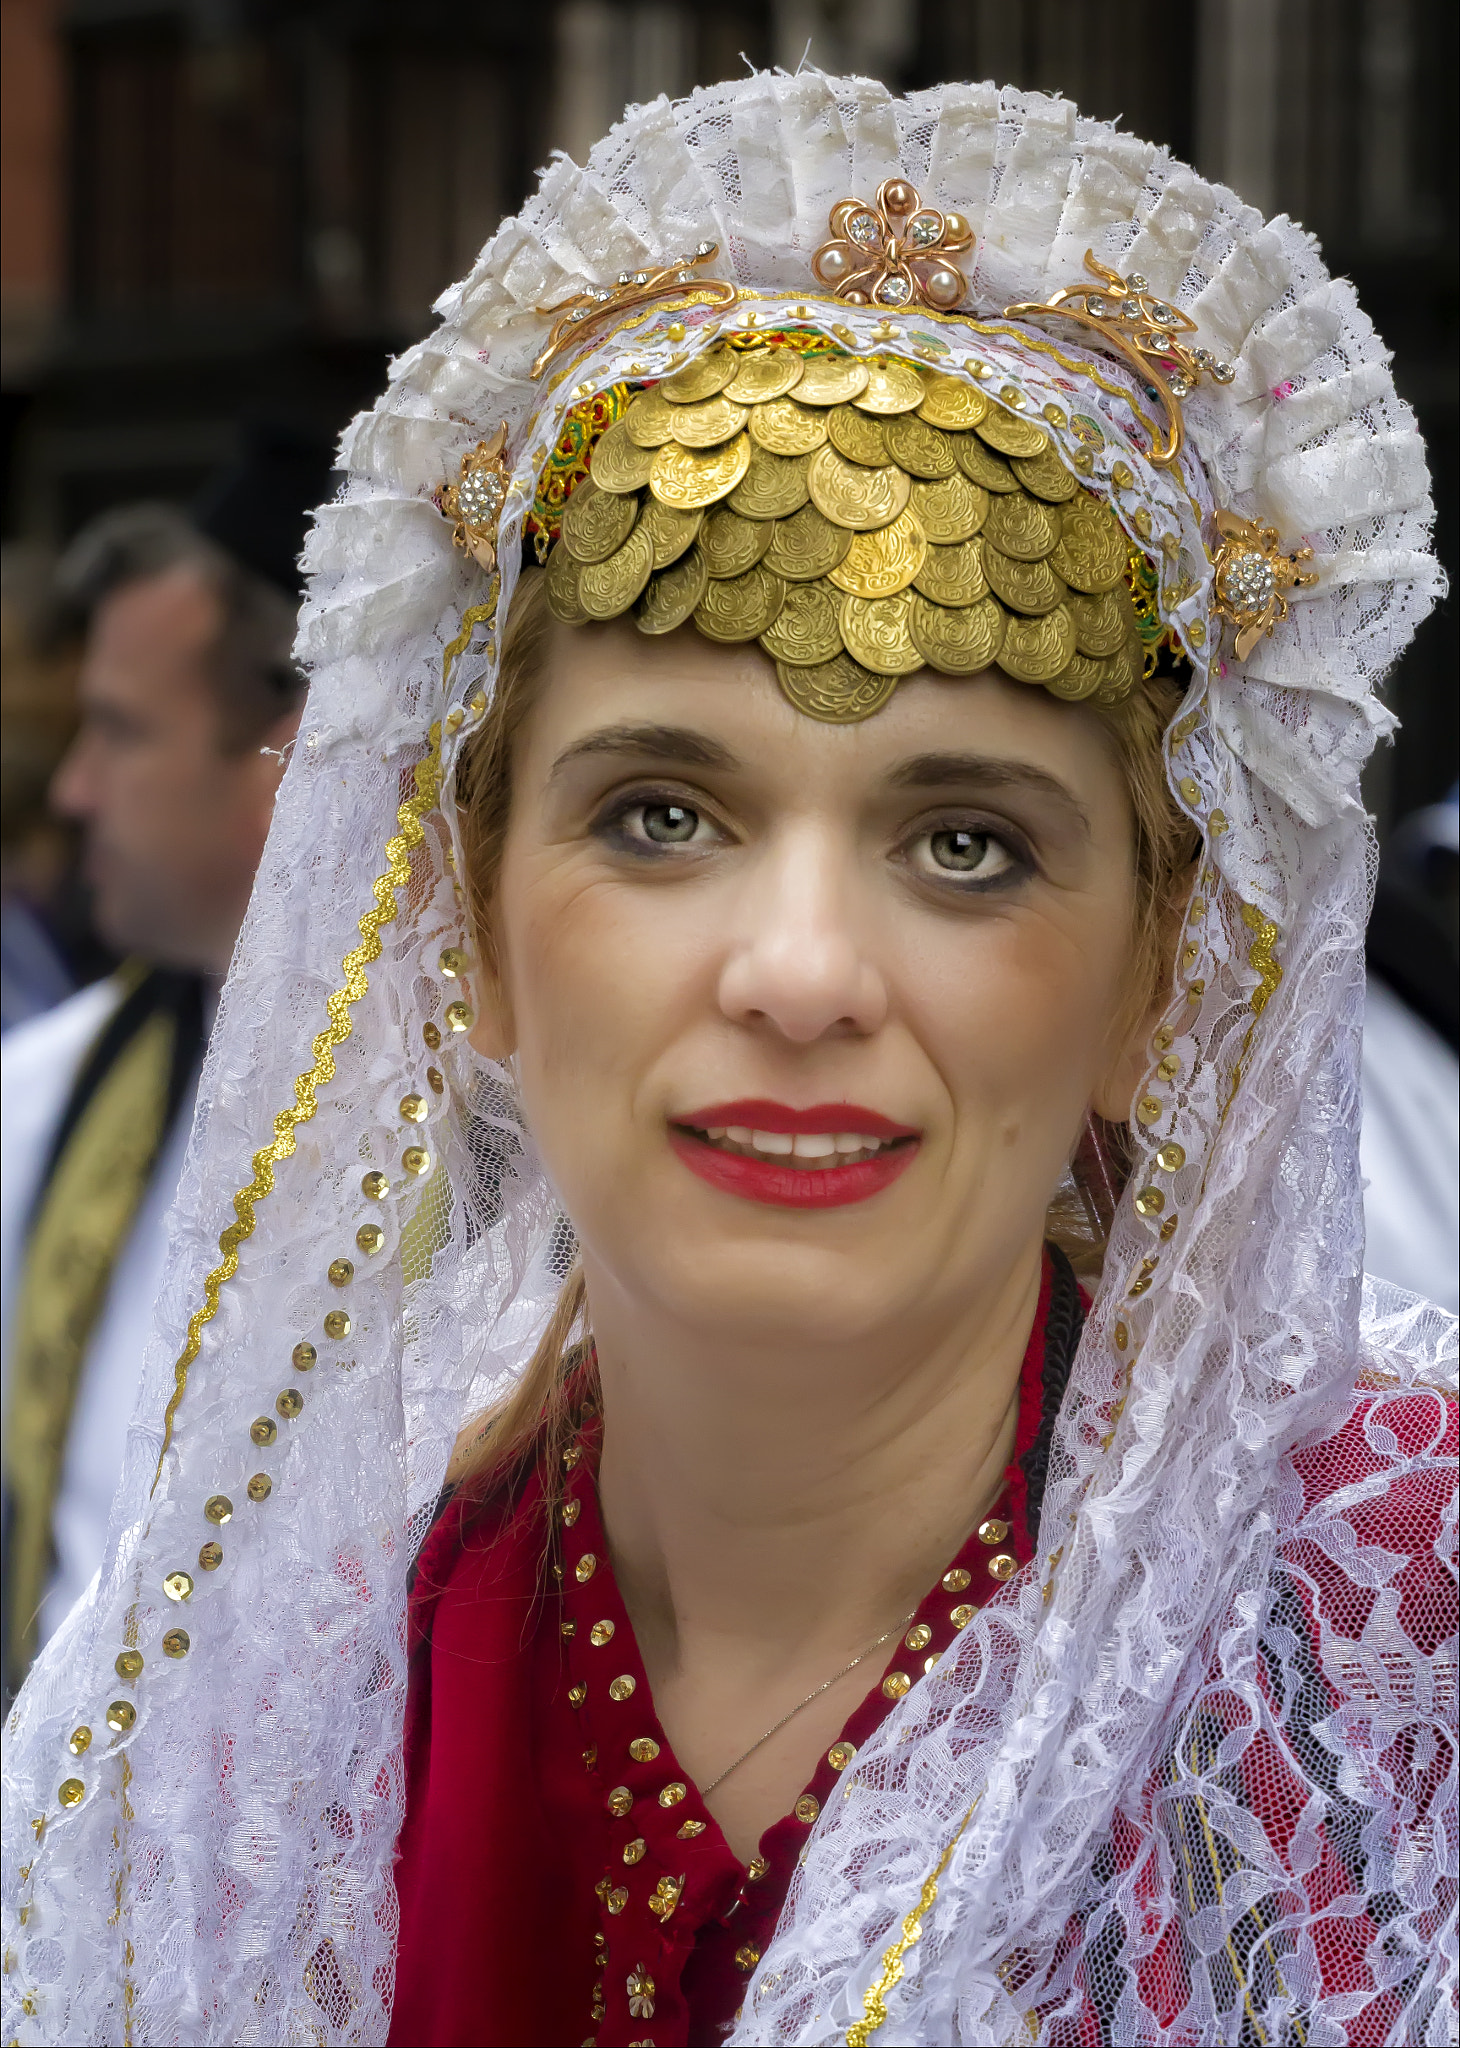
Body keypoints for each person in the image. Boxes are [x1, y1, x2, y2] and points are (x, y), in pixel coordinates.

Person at [3, 73, 1454, 2048]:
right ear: (474, 937)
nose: (794, 970)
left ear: (1150, 991)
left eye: (967, 845)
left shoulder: (1392, 1639)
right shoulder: (251, 1709)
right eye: (662, 816)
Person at [0, 502, 304, 1699]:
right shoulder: (44, 1100)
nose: (72, 790)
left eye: (118, 731)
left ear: (286, 756)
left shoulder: (505, 1135)